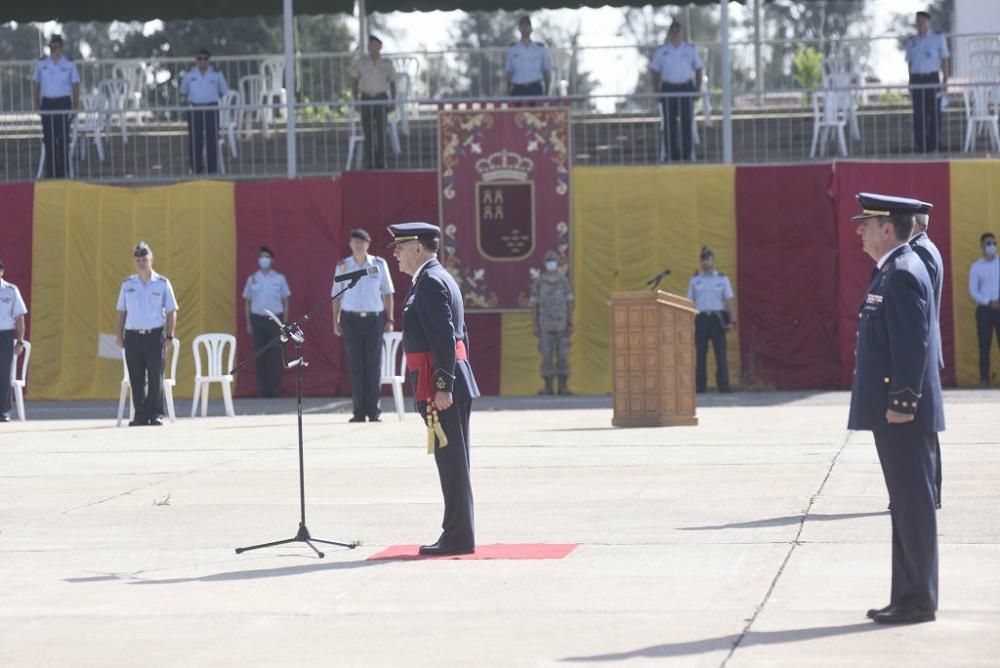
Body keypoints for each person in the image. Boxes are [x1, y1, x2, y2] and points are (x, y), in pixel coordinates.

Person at [850, 193, 943, 625]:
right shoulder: (891, 269)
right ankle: (907, 595)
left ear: (888, 228)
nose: (859, 231)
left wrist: (903, 401)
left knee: (912, 505)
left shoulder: (903, 272)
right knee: (904, 506)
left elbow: (912, 344)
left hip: (903, 412)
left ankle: (919, 599)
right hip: (895, 412)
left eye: (866, 224)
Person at [388, 221, 479, 556]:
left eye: (399, 246)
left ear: (417, 248)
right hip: (449, 380)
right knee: (454, 461)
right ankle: (458, 532)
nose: (395, 254)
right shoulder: (437, 278)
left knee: (452, 462)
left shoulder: (429, 283)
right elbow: (460, 334)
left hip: (443, 387)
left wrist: (443, 386)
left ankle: (457, 536)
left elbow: (445, 338)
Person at [332, 229, 395, 422]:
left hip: (374, 319)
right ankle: (359, 411)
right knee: (356, 365)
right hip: (351, 320)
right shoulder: (343, 266)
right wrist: (336, 320)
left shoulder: (378, 264)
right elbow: (336, 295)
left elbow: (387, 292)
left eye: (362, 242)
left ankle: (373, 410)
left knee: (373, 365)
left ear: (368, 244)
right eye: (355, 242)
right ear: (350, 244)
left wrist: (390, 319)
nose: (359, 245)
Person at [115, 242, 179, 427]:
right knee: (136, 377)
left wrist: (169, 335)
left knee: (155, 376)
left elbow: (171, 311)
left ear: (151, 260)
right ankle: (140, 415)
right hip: (133, 336)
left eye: (144, 259)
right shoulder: (128, 284)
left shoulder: (162, 284)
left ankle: (156, 414)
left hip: (154, 335)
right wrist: (119, 335)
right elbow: (121, 311)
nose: (141, 263)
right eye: (138, 260)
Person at [909, 206, 944, 509]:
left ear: (916, 224)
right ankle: (929, 490)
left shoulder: (918, 253)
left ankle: (927, 491)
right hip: (927, 346)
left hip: (920, 348)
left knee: (921, 426)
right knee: (924, 425)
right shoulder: (927, 248)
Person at [649, 21, 703, 162]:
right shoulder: (662, 51)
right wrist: (656, 91)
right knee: (669, 124)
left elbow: (698, 69)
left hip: (686, 88)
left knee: (687, 122)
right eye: (672, 31)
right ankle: (671, 154)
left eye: (677, 31)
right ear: (669, 33)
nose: (675, 34)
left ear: (682, 33)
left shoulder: (690, 50)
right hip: (668, 89)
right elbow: (655, 71)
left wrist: (698, 88)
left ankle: (687, 154)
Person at [243, 246, 291, 398]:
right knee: (260, 355)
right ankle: (263, 390)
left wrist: (284, 322)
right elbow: (247, 302)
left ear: (271, 260)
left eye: (266, 257)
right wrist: (249, 323)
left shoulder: (279, 278)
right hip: (258, 320)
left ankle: (275, 389)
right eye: (261, 257)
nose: (264, 259)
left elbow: (286, 300)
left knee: (276, 356)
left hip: (275, 321)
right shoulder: (253, 279)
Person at [687, 246, 735, 393]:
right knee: (700, 355)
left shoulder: (722, 278)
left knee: (720, 353)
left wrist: (732, 321)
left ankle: (724, 386)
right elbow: (689, 301)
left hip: (717, 318)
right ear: (700, 262)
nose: (705, 262)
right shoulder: (695, 280)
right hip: (701, 318)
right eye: (703, 260)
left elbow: (728, 300)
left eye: (708, 259)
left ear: (712, 260)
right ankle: (700, 387)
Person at [31, 35, 80, 179]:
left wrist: (75, 106)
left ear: (61, 47)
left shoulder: (69, 64)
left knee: (63, 139)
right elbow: (36, 83)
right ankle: (51, 174)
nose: (54, 50)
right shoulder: (42, 64)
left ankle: (62, 173)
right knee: (49, 139)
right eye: (51, 47)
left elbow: (76, 84)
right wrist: (36, 103)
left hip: (63, 103)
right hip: (47, 104)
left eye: (56, 47)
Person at [905, 10, 949, 154]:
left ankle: (934, 144)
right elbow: (910, 64)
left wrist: (945, 80)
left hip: (932, 78)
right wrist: (910, 82)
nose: (920, 24)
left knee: (934, 112)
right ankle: (920, 145)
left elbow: (944, 59)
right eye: (918, 21)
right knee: (919, 113)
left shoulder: (937, 38)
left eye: (922, 21)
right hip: (917, 79)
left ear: (927, 22)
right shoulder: (911, 41)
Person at [530, 249, 573, 395]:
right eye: (548, 261)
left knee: (563, 356)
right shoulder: (539, 283)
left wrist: (570, 322)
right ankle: (548, 387)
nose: (551, 263)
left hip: (562, 325)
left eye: (553, 260)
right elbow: (534, 305)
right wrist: (535, 325)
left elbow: (569, 303)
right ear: (545, 263)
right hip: (545, 326)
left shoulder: (564, 281)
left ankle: (563, 387)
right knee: (546, 356)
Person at [180, 48, 229, 175]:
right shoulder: (189, 74)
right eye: (199, 58)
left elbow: (224, 91)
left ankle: (212, 169)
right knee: (195, 140)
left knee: (212, 139)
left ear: (209, 60)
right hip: (195, 109)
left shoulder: (216, 73)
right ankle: (196, 169)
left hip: (211, 108)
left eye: (205, 58)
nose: (202, 61)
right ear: (196, 60)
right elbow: (183, 91)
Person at [351, 35, 397, 170]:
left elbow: (393, 82)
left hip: (381, 97)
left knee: (382, 131)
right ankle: (370, 162)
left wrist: (393, 101)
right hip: (366, 98)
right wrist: (356, 100)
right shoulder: (361, 62)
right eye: (370, 45)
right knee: (368, 131)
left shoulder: (387, 63)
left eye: (375, 45)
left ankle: (382, 162)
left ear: (380, 47)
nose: (373, 48)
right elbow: (354, 81)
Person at [968, 232, 1000, 387]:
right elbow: (973, 291)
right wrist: (989, 302)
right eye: (988, 244)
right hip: (985, 311)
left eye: (994, 243)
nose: (992, 246)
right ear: (982, 245)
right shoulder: (976, 267)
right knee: (984, 345)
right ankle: (984, 379)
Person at [0, 260, 28, 423]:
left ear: (2, 271)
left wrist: (20, 341)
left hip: (4, 335)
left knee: (4, 374)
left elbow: (19, 318)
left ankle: (4, 411)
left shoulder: (11, 291)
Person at [505, 16, 552, 97]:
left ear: (531, 29)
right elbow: (508, 72)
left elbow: (546, 71)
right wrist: (508, 92)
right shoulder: (512, 50)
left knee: (537, 110)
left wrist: (547, 92)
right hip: (518, 88)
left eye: (527, 26)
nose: (525, 28)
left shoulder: (540, 49)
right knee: (517, 110)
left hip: (535, 88)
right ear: (519, 28)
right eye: (522, 26)